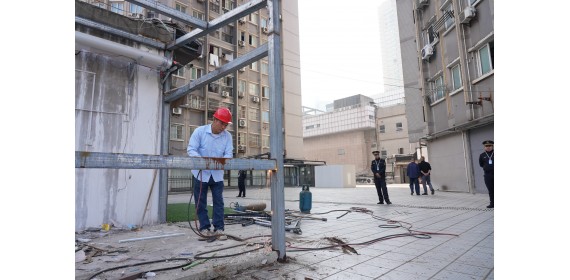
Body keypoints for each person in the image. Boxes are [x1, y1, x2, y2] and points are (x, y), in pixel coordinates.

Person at [187, 107, 234, 240]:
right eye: (222, 123)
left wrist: (223, 161)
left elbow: (229, 154)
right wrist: (202, 162)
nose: (223, 127)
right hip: (200, 174)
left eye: (226, 124)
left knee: (218, 202)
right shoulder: (200, 132)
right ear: (214, 119)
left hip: (217, 175)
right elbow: (191, 149)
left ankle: (219, 228)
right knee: (200, 202)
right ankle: (204, 228)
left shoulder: (227, 136)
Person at [479, 140, 494, 208]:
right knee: (491, 190)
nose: (488, 147)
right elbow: (481, 164)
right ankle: (492, 203)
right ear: (484, 147)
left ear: (492, 146)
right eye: (486, 146)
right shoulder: (482, 155)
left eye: (489, 146)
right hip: (488, 175)